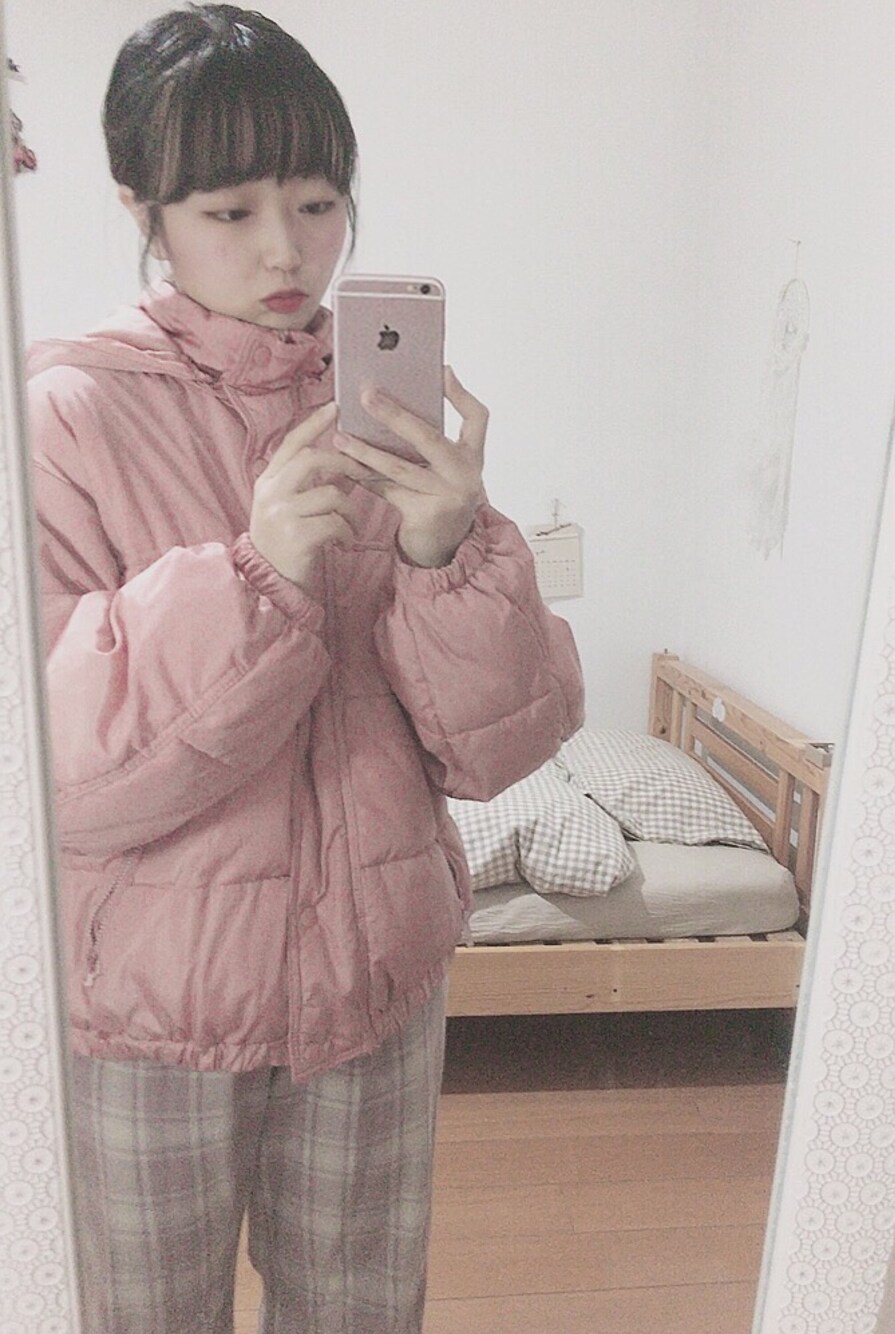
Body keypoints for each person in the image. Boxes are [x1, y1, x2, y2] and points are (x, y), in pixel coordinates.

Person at [27, 6, 583, 1330]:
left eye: (319, 202)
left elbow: (497, 750)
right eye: (229, 210)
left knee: (360, 1312)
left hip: (374, 984)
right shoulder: (63, 416)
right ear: (142, 209)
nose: (286, 250)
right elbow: (57, 772)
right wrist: (254, 577)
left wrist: (450, 551)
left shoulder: (385, 405)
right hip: (146, 1007)